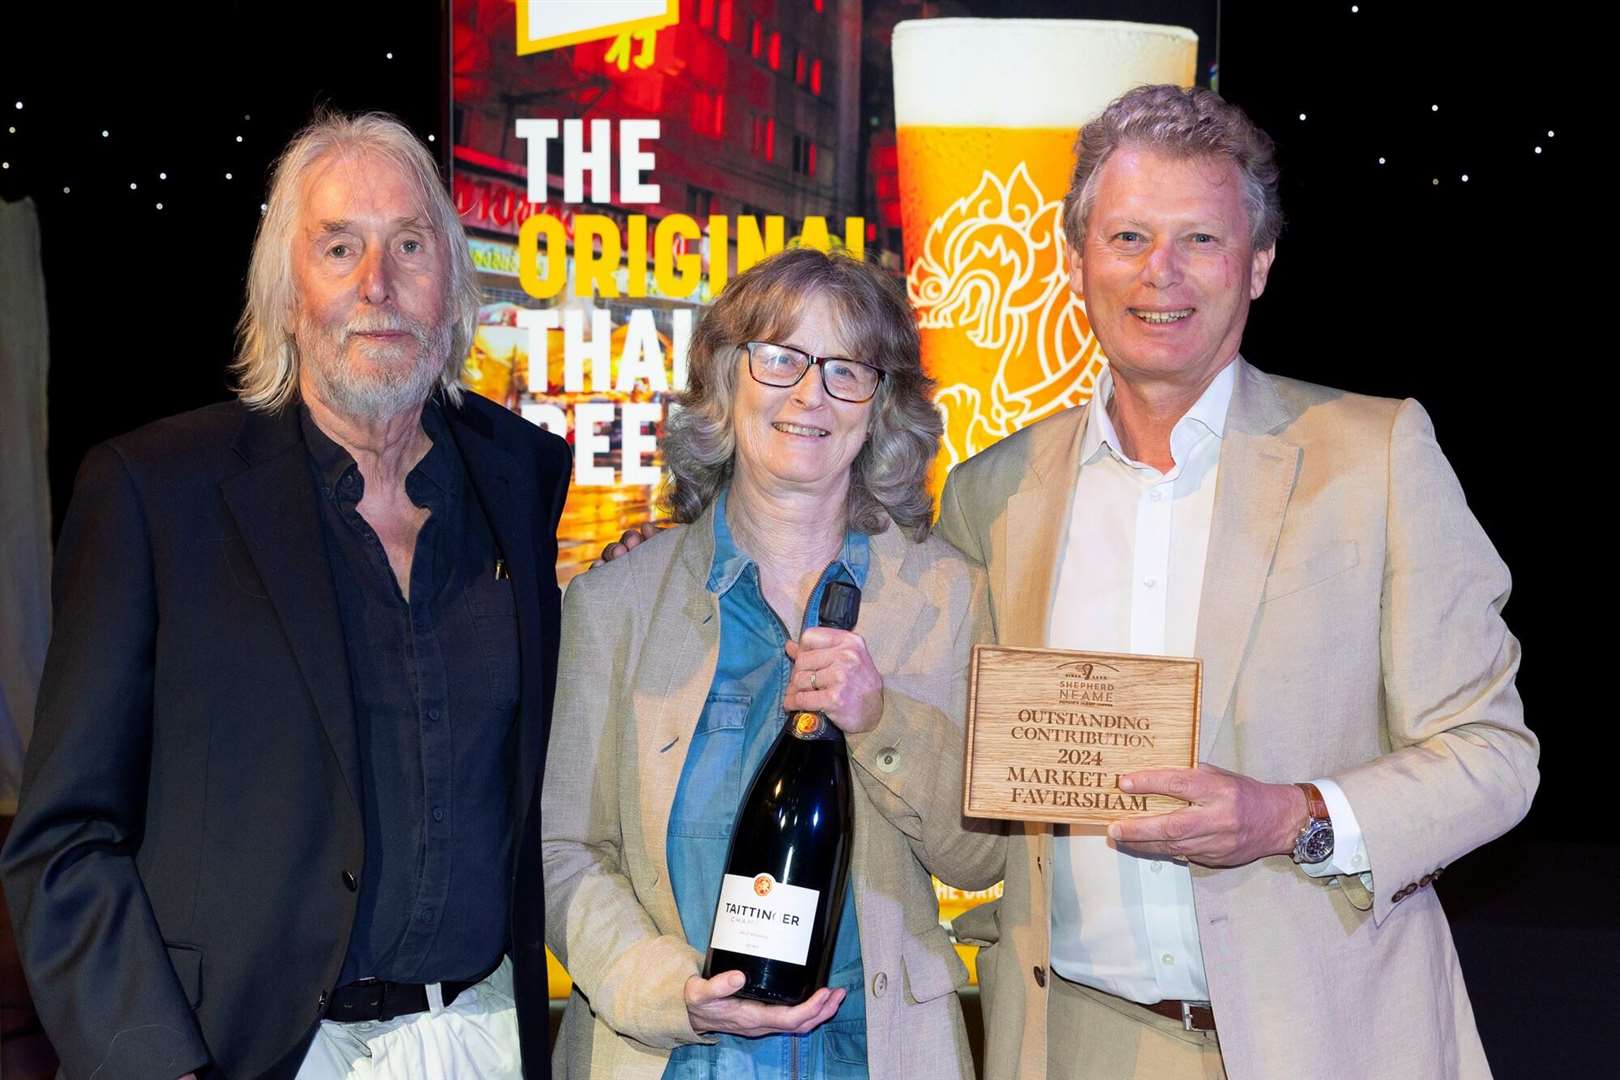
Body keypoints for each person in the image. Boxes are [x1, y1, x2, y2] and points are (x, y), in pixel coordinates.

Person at [935, 85, 1538, 1079]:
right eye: (1126, 236)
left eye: (1201, 240)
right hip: (1068, 1044)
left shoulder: (1376, 458)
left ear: (1257, 265)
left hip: (1325, 1040)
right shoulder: (990, 496)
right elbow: (966, 807)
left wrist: (1291, 815)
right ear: (1072, 257)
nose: (1158, 274)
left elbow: (1492, 758)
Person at [0, 111, 570, 1080]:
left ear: (453, 285)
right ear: (286, 294)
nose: (375, 284)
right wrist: (152, 1064)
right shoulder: (155, 497)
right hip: (252, 1056)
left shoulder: (518, 487)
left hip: (484, 1038)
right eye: (338, 246)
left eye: (409, 245)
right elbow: (62, 842)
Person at [543, 247, 1001, 1079]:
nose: (809, 395)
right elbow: (561, 851)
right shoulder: (614, 603)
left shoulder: (951, 596)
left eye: (846, 369)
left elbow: (985, 859)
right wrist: (668, 992)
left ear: (882, 404)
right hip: (673, 1057)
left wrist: (882, 723)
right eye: (780, 358)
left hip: (877, 1056)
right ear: (725, 381)